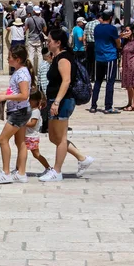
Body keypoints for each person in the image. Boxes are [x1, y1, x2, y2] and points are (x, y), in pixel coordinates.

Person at [40, 29, 95, 182]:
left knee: (61, 138)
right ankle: (82, 158)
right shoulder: (57, 57)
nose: (47, 43)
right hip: (54, 100)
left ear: (58, 43)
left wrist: (57, 102)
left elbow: (66, 81)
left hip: (63, 101)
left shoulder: (64, 59)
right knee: (53, 137)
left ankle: (57, 171)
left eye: (49, 40)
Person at [0, 45, 34, 184]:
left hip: (18, 112)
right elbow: (15, 89)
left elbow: (24, 95)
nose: (7, 59)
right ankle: (21, 172)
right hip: (20, 110)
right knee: (20, 142)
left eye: (9, 57)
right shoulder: (19, 71)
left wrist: (6, 98)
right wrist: (5, 93)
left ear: (17, 59)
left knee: (2, 139)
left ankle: (6, 172)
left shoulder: (22, 74)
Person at [90, 12, 121, 114]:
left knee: (98, 81)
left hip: (99, 57)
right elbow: (117, 43)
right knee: (109, 82)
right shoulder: (112, 29)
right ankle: (108, 107)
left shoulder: (97, 28)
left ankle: (93, 105)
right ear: (111, 18)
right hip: (110, 57)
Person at [25, 90, 51, 173]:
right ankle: (18, 169)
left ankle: (48, 168)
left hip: (31, 137)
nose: (28, 102)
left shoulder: (35, 111)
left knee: (36, 154)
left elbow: (32, 123)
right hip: (26, 135)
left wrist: (22, 122)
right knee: (22, 152)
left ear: (36, 101)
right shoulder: (30, 109)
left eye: (30, 100)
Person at [119, 24, 134, 112]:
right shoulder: (125, 42)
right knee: (128, 86)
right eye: (125, 30)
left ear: (132, 31)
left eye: (127, 30)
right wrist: (120, 65)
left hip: (133, 66)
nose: (126, 32)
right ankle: (129, 102)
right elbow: (122, 54)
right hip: (126, 65)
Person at [84, 14, 101, 81]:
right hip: (96, 43)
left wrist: (85, 45)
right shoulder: (99, 24)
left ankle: (88, 76)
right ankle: (94, 77)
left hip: (89, 44)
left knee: (89, 61)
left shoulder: (87, 24)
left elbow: (84, 36)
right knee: (95, 61)